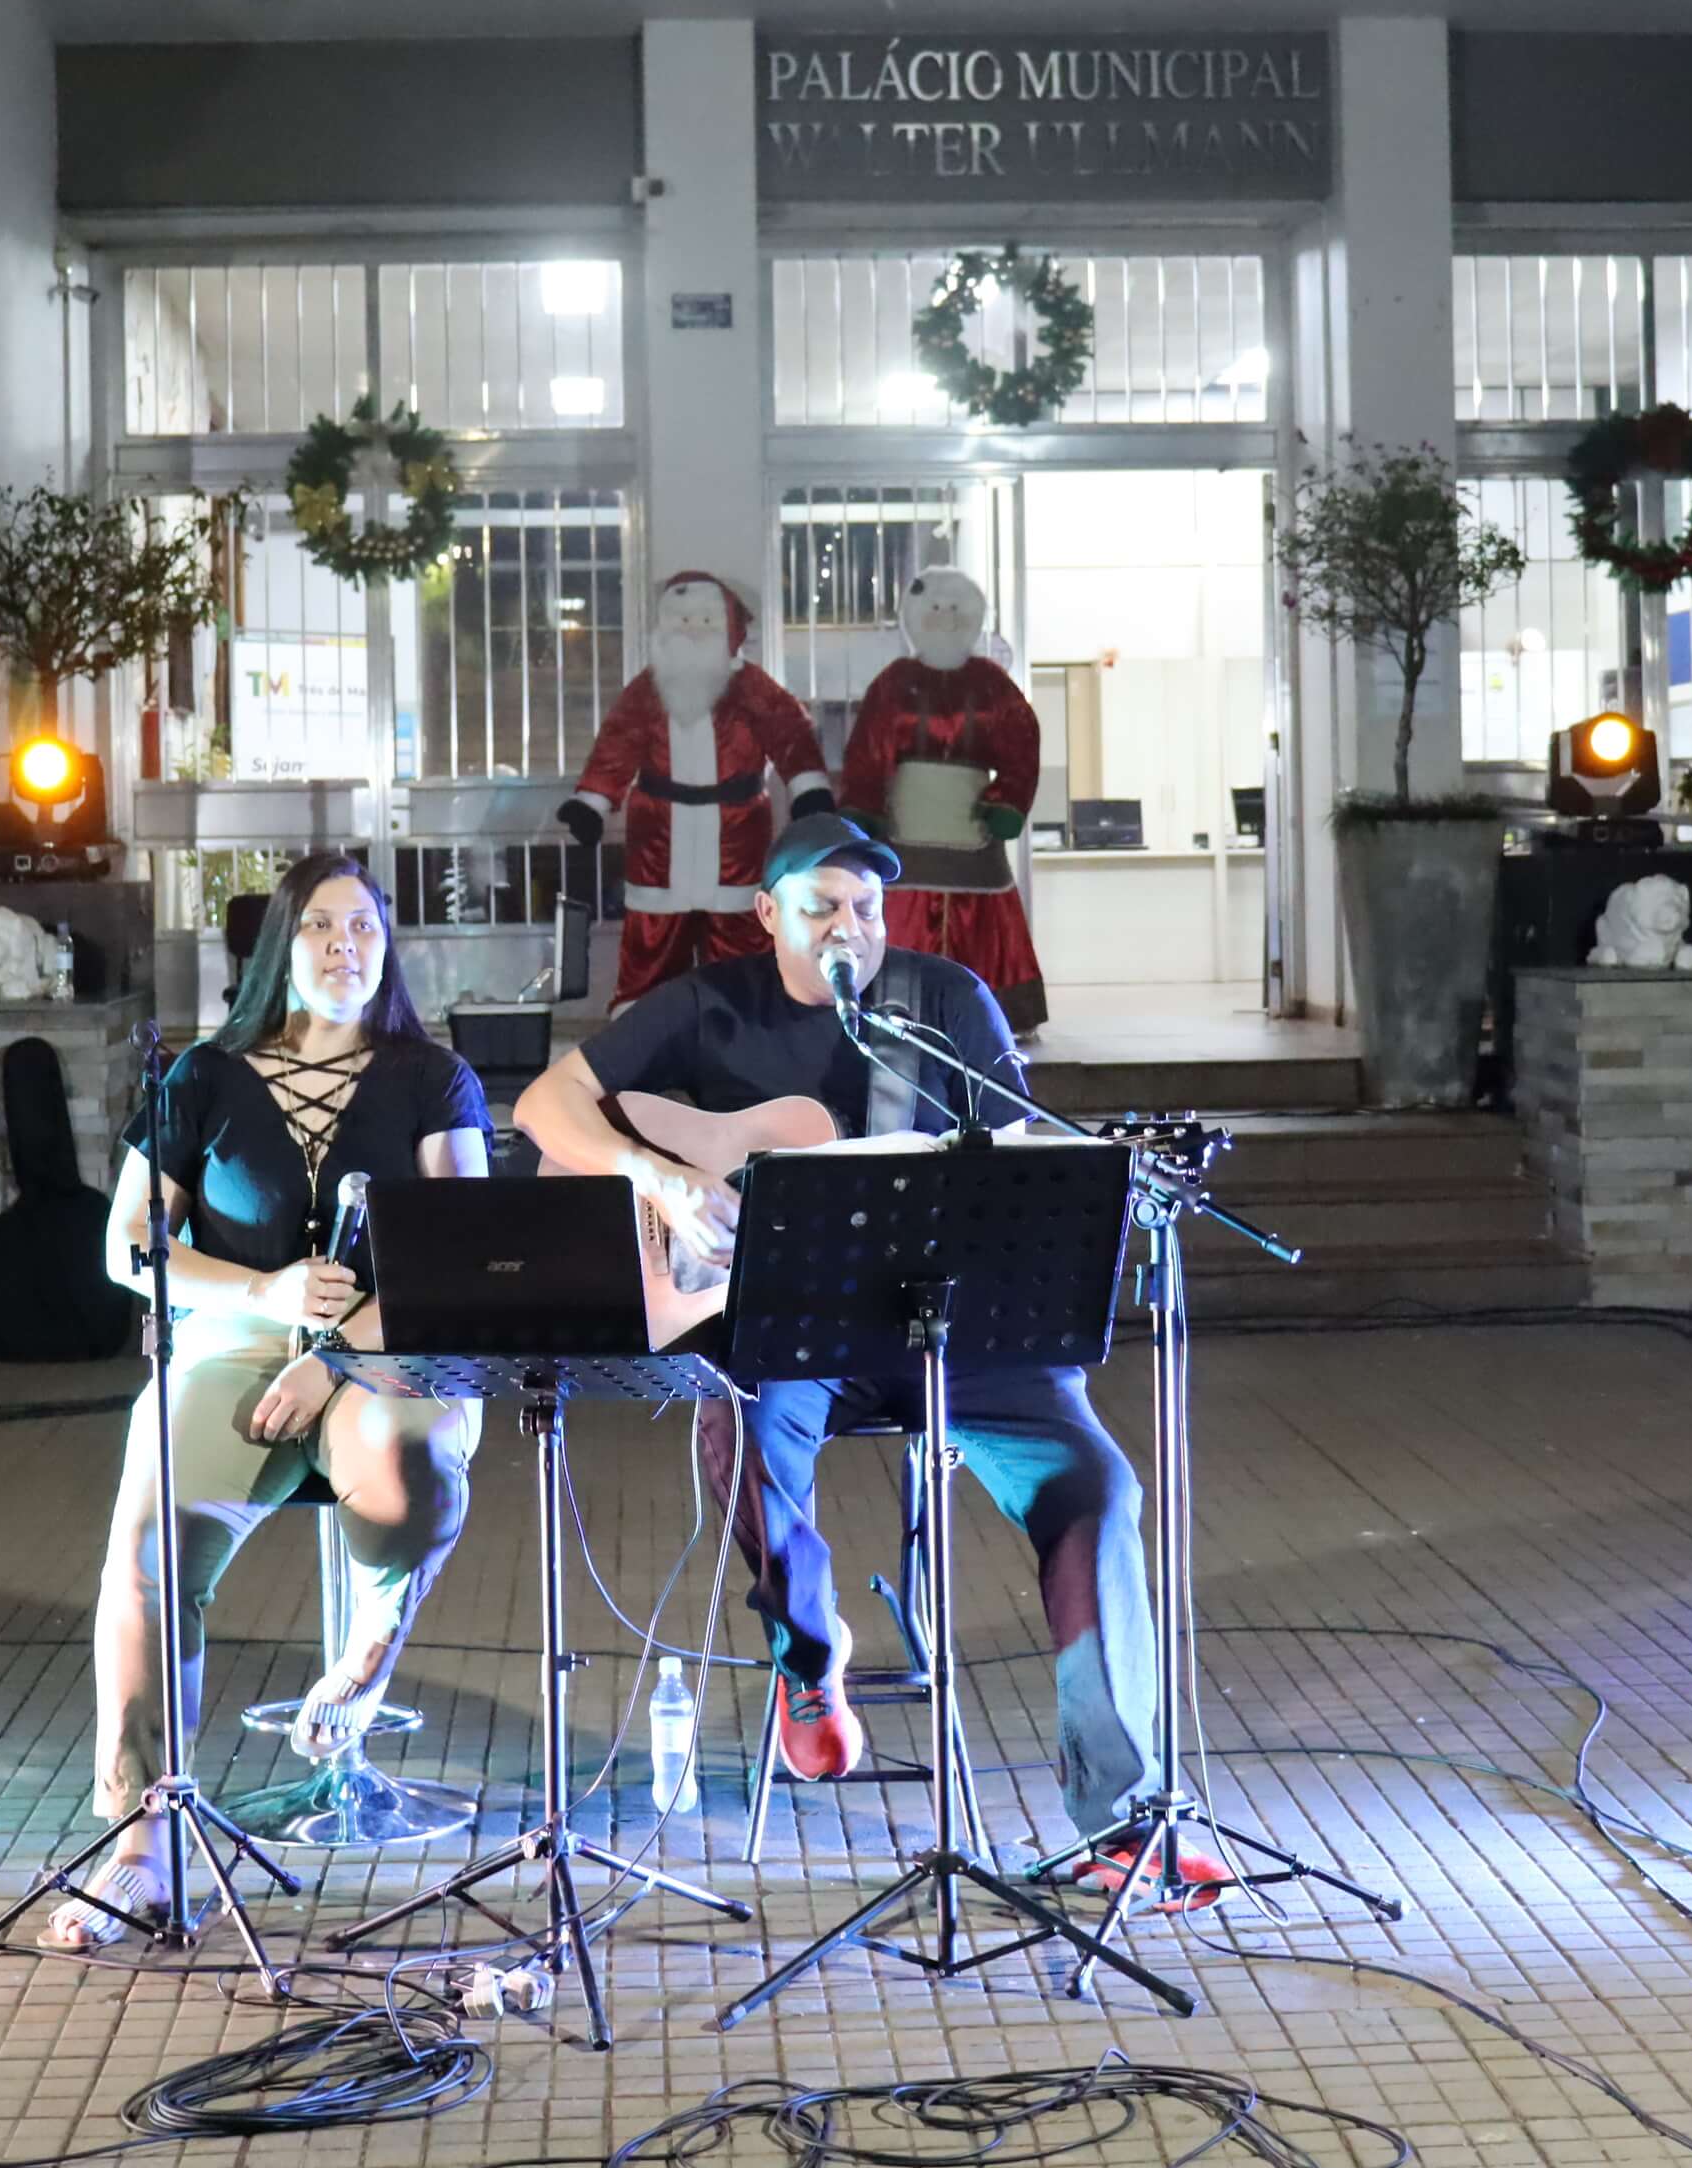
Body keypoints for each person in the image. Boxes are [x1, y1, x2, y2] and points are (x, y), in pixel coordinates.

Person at [513, 814, 1222, 1903]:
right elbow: (543, 1103)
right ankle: (810, 1656)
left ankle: (1124, 1816)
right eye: (822, 907)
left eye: (866, 908)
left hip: (962, 1324)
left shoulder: (944, 1002)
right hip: (798, 1325)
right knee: (737, 1430)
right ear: (768, 913)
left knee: (1099, 1489)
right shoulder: (708, 1005)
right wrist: (657, 1177)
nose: (849, 927)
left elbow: (1014, 1157)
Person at [77, 851, 492, 1934]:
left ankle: (370, 1647)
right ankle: (141, 1843)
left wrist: (335, 1353)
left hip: (391, 1343)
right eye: (319, 926)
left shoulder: (434, 1076)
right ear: (280, 947)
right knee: (148, 1552)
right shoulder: (203, 1077)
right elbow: (129, 1247)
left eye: (364, 928)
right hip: (234, 1342)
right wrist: (264, 1291)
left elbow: (463, 1254)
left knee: (405, 1462)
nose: (344, 946)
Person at [561, 569, 833, 1008]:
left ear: (729, 628)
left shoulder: (753, 688)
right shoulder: (647, 691)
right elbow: (617, 743)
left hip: (736, 835)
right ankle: (642, 1030)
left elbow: (790, 735)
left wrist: (808, 788)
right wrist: (591, 802)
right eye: (681, 621)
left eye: (704, 621)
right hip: (660, 839)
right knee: (653, 943)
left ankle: (742, 1025)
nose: (691, 631)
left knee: (741, 942)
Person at [837, 564, 1050, 1038]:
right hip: (907, 828)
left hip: (972, 829)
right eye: (935, 608)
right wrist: (862, 808)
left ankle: (998, 1017)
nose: (946, 618)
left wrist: (1009, 801)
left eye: (956, 609)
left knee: (986, 915)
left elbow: (1021, 743)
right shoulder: (893, 683)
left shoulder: (993, 683)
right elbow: (868, 750)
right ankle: (899, 1007)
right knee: (903, 915)